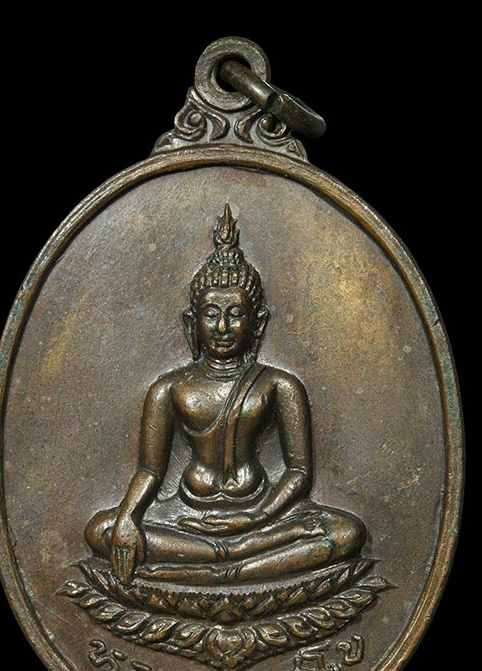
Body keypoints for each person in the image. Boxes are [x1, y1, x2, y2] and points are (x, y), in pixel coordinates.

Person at [85, 204, 365, 585]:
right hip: (187, 516)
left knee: (347, 532)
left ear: (257, 322)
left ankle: (225, 564)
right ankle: (235, 564)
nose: (221, 327)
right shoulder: (169, 388)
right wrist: (129, 517)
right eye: (210, 313)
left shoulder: (279, 385)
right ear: (192, 321)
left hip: (263, 515)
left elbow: (299, 473)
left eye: (235, 314)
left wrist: (255, 518)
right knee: (102, 529)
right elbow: (150, 471)